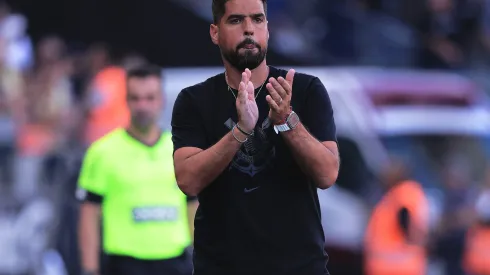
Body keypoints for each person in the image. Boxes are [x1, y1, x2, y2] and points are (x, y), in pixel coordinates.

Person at [170, 0, 340, 274]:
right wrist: (240, 131)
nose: (249, 29)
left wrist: (287, 121)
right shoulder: (194, 100)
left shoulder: (305, 89)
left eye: (257, 19)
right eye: (236, 20)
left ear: (268, 30)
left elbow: (327, 174)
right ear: (215, 32)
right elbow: (188, 181)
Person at [77, 64, 197, 275]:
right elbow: (89, 216)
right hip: (124, 264)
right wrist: (89, 269)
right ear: (126, 100)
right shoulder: (102, 152)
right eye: (135, 98)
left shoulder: (181, 150)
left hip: (175, 263)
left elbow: (193, 209)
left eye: (150, 98)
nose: (142, 105)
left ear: (161, 100)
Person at [364, 159, 429, 275]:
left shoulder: (405, 190)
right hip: (392, 267)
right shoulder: (393, 194)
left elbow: (407, 219)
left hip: (399, 267)